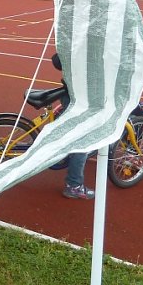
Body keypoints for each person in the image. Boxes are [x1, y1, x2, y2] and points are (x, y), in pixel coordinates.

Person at [50, 53, 93, 199]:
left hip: (73, 92)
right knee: (82, 141)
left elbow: (56, 60)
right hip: (78, 96)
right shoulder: (83, 46)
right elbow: (57, 60)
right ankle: (74, 185)